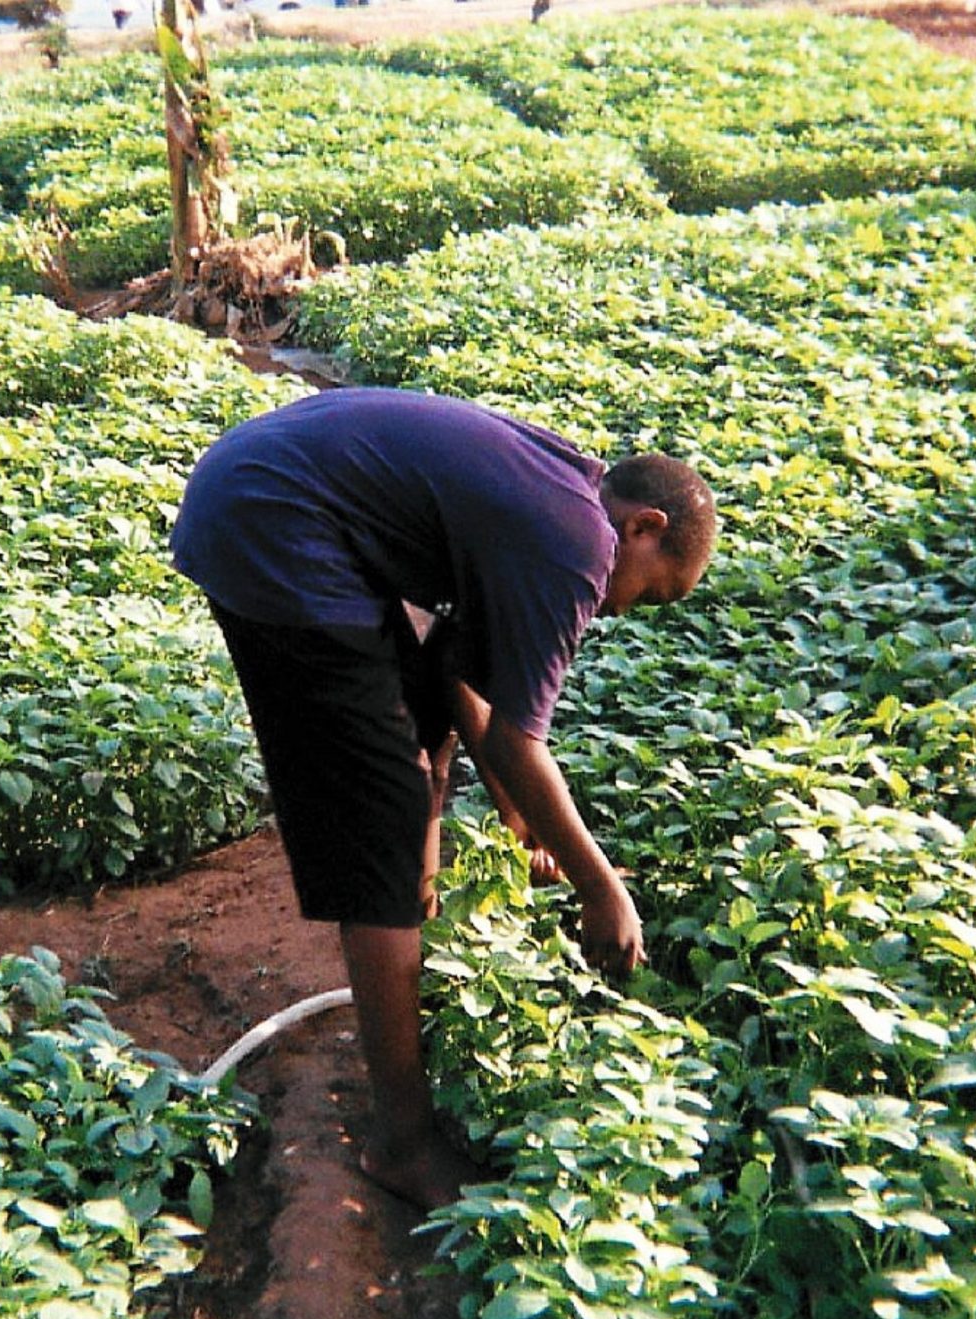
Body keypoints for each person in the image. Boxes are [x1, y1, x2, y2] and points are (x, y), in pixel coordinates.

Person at [170, 387, 717, 1211]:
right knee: (382, 813)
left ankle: (406, 930)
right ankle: (401, 1143)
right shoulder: (580, 548)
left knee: (417, 730)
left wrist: (516, 815)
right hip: (274, 522)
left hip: (268, 489)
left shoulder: (562, 497)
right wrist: (603, 889)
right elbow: (517, 740)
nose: (622, 608)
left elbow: (456, 669)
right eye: (651, 591)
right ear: (645, 528)